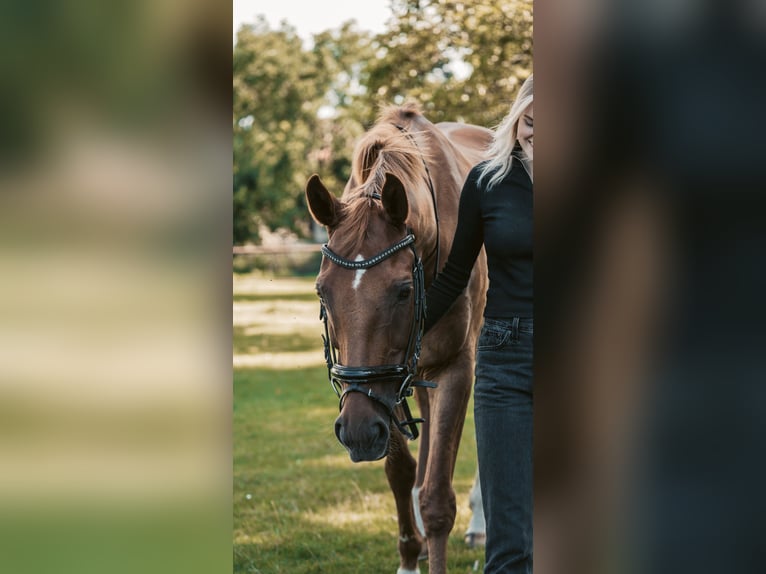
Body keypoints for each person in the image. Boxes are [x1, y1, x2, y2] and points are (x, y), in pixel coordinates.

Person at [424, 74, 533, 573]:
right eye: (532, 121)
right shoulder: (488, 181)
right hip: (505, 361)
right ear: (517, 118)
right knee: (510, 540)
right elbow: (454, 275)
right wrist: (406, 334)